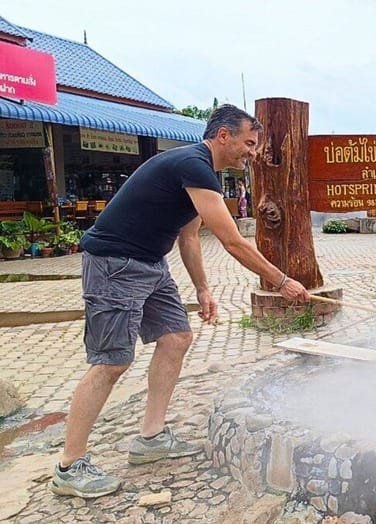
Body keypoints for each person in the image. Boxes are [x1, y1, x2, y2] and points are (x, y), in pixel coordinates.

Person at [50, 104, 311, 498]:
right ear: (223, 136)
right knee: (112, 360)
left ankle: (151, 438)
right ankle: (69, 465)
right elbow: (232, 241)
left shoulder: (203, 174)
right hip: (114, 262)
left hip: (150, 262)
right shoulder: (193, 163)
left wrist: (203, 288)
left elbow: (189, 237)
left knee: (176, 337)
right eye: (249, 143)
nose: (253, 152)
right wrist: (281, 280)